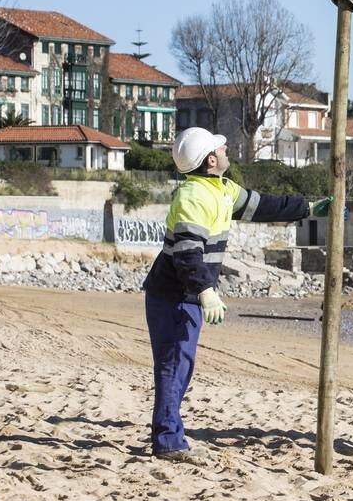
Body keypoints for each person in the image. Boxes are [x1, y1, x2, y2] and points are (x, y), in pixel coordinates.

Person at [142, 128, 332, 463]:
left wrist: (310, 207)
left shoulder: (221, 189)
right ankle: (168, 441)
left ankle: (168, 435)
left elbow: (264, 206)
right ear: (211, 160)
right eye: (221, 146)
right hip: (174, 294)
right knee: (174, 365)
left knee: (180, 365)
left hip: (186, 294)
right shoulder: (193, 197)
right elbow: (187, 254)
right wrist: (205, 291)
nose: (226, 146)